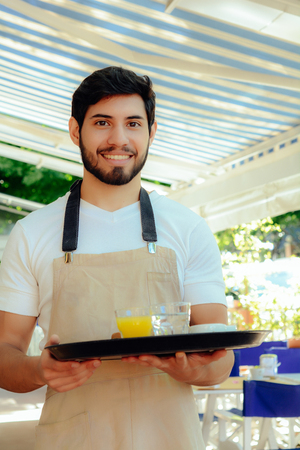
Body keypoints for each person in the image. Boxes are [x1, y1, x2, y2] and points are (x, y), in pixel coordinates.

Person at [0, 66, 234, 449]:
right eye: (103, 122)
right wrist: (38, 369)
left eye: (133, 124)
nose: (119, 139)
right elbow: (4, 353)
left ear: (151, 132)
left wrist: (196, 368)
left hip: (169, 438)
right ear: (76, 130)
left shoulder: (188, 228)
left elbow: (220, 356)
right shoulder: (32, 233)